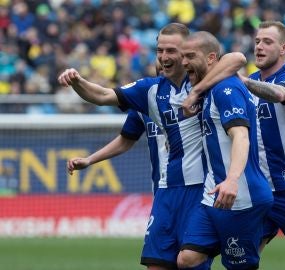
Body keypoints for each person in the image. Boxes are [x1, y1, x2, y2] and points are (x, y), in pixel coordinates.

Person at [58, 23, 246, 269]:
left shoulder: (208, 80)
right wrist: (77, 81)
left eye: (171, 51)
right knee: (155, 265)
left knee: (189, 263)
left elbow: (237, 58)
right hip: (165, 191)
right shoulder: (150, 90)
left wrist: (197, 90)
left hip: (201, 189)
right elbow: (103, 96)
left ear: (189, 52)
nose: (164, 57)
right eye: (160, 50)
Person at [183, 21, 285, 270]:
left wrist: (245, 82)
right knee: (235, 260)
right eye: (257, 41)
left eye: (267, 42)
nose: (259, 46)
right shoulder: (246, 80)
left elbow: (280, 94)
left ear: (284, 49)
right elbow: (233, 59)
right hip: (257, 191)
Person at [177, 31, 273, 270]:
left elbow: (241, 135)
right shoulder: (209, 88)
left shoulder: (225, 89)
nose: (184, 62)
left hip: (239, 196)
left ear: (211, 58)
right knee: (187, 259)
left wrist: (232, 179)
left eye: (190, 56)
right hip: (214, 194)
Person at [67, 109, 167, 195]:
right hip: (161, 192)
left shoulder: (182, 101)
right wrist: (88, 160)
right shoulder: (144, 98)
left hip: (182, 188)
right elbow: (125, 141)